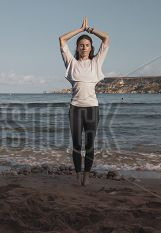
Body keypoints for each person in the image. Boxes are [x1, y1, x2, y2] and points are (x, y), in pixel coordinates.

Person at [59, 17, 110, 186]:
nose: (84, 47)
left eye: (87, 45)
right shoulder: (70, 63)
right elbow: (62, 39)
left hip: (92, 109)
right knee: (77, 144)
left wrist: (90, 30)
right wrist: (80, 30)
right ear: (77, 47)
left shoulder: (96, 63)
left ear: (91, 48)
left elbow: (106, 38)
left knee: (89, 144)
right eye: (81, 45)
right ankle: (77, 173)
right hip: (75, 109)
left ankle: (87, 175)